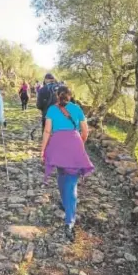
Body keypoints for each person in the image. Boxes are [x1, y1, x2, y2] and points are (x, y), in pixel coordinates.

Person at [40, 86, 94, 241]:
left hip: (57, 145)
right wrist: (79, 144)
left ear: (57, 96)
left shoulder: (51, 109)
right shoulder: (77, 109)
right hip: (74, 142)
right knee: (72, 181)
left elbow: (47, 131)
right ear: (71, 96)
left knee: (62, 173)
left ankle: (66, 205)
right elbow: (85, 131)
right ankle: (69, 220)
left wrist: (43, 150)